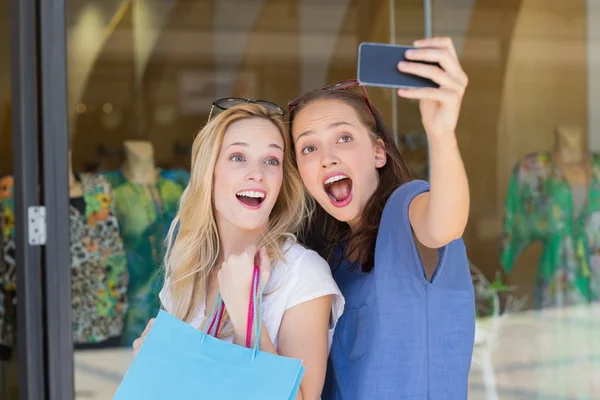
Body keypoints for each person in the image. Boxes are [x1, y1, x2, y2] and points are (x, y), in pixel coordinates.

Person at [287, 37, 475, 399]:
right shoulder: (325, 258)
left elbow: (446, 223)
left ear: (378, 152)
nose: (326, 157)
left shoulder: (406, 211)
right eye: (308, 147)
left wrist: (441, 134)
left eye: (343, 137)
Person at [132, 101, 344, 399]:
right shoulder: (188, 266)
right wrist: (152, 360)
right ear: (210, 171)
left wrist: (246, 313)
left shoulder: (301, 273)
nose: (257, 173)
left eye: (271, 160)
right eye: (238, 157)